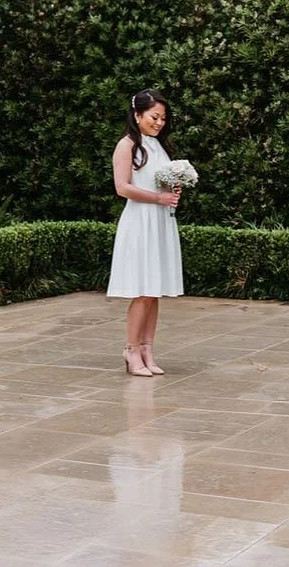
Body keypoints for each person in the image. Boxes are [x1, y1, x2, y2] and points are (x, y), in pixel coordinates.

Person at [108, 88, 184, 377]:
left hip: (161, 221)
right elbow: (122, 187)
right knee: (142, 291)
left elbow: (157, 182)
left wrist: (172, 190)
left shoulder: (159, 147)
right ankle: (131, 349)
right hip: (140, 221)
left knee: (154, 291)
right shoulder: (127, 146)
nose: (159, 122)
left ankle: (148, 349)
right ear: (137, 114)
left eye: (163, 118)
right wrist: (157, 198)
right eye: (154, 116)